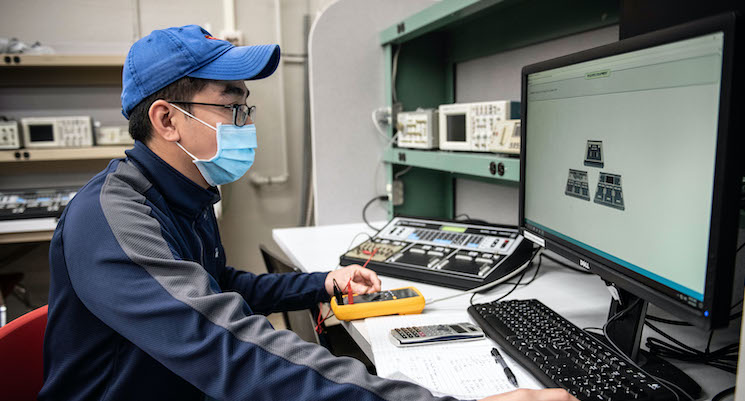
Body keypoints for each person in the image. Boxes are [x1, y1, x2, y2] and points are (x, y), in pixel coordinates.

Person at [38, 25, 579, 401]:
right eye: (231, 106)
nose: (245, 123)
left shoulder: (184, 192)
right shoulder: (112, 219)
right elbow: (227, 346)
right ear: (167, 119)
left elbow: (220, 286)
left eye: (244, 108)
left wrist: (323, 283)